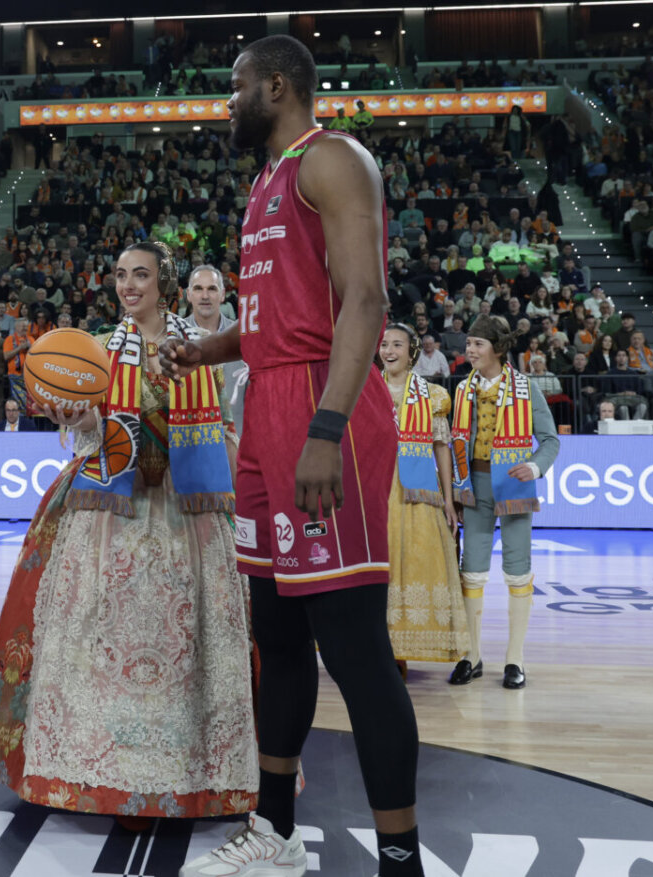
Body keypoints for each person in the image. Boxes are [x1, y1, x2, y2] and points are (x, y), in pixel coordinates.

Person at [163, 36, 425, 877]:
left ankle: (400, 857)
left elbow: (364, 301)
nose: (227, 101)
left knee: (352, 644)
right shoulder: (265, 182)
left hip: (323, 408)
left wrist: (325, 427)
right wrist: (209, 351)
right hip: (269, 404)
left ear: (278, 86)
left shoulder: (335, 160)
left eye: (236, 86)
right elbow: (277, 320)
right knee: (275, 634)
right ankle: (275, 834)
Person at [0, 243, 258, 827]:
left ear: (166, 283)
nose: (128, 286)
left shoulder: (200, 349)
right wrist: (77, 417)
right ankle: (96, 769)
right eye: (122, 276)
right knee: (94, 632)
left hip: (188, 503)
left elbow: (226, 425)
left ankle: (191, 772)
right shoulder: (98, 348)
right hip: (111, 502)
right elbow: (93, 429)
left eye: (142, 276)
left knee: (188, 638)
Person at [449, 316, 559, 691]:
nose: (470, 350)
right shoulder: (462, 390)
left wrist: (534, 465)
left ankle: (515, 659)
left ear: (497, 348)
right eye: (468, 344)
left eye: (477, 343)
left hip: (513, 485)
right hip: (473, 486)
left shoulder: (527, 388)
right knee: (472, 571)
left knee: (516, 570)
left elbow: (550, 441)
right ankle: (473, 655)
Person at [378, 326, 469, 676]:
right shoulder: (366, 389)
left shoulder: (432, 396)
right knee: (381, 571)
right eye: (384, 344)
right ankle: (385, 652)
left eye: (397, 344)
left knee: (418, 565)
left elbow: (441, 449)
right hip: (377, 492)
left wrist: (449, 500)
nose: (389, 350)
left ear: (412, 352)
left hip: (418, 495)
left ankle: (408, 646)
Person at [183, 264, 248, 435]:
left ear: (222, 295)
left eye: (212, 289)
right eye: (198, 289)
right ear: (188, 295)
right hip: (190, 440)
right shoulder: (173, 338)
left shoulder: (244, 335)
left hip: (237, 441)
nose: (205, 296)